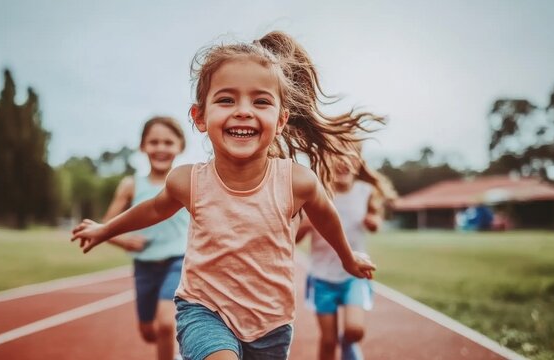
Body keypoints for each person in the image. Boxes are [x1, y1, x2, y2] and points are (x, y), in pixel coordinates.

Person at [72, 31, 381, 360]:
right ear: (200, 117)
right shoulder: (187, 181)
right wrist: (105, 229)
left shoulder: (296, 181)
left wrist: (348, 257)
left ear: (280, 120)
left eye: (260, 101)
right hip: (204, 310)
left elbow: (325, 216)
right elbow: (150, 210)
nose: (244, 111)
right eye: (226, 100)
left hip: (271, 323)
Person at [102, 116, 188, 360]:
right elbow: (107, 226)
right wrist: (123, 240)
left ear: (180, 147)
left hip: (178, 262)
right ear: (142, 146)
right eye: (154, 142)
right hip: (144, 266)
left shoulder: (185, 182)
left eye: (168, 143)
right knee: (149, 330)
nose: (161, 148)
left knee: (166, 324)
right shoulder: (131, 185)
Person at [296, 157, 396, 360]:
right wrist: (305, 226)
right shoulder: (317, 193)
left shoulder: (364, 191)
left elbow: (375, 215)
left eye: (349, 157)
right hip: (322, 277)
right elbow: (294, 239)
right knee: (327, 341)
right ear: (326, 162)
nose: (343, 162)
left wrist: (373, 222)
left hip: (355, 274)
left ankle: (348, 343)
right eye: (336, 157)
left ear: (358, 163)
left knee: (355, 330)